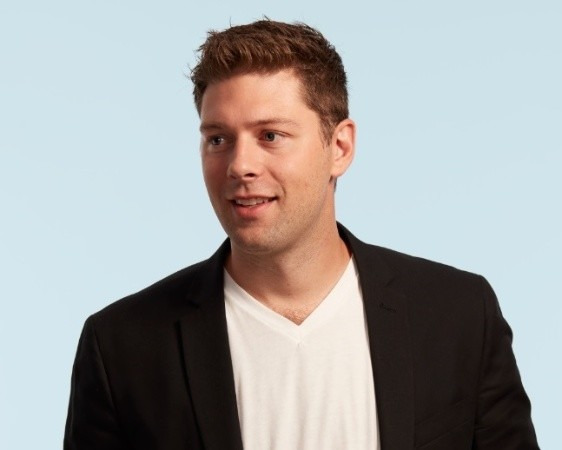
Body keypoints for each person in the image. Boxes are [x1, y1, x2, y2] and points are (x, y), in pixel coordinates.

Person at [64, 19, 539, 450]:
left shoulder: (459, 316)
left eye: (270, 135)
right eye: (218, 139)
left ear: (340, 147)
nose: (240, 166)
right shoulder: (122, 346)